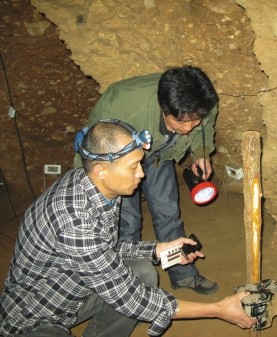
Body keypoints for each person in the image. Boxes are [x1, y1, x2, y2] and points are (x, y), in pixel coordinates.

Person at [0, 120, 256, 337]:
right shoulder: (73, 220)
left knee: (143, 271)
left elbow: (108, 247)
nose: (142, 174)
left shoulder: (95, 185)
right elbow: (130, 298)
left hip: (76, 290)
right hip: (37, 317)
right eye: (134, 166)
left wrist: (159, 249)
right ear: (101, 170)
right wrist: (218, 309)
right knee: (133, 290)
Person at [74, 65, 220, 295]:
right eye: (181, 122)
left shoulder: (201, 101)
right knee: (126, 221)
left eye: (195, 121)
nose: (189, 127)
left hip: (160, 153)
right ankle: (131, 283)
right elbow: (90, 149)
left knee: (168, 213)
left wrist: (200, 150)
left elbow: (205, 124)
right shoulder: (122, 107)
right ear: (164, 108)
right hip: (120, 160)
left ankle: (182, 275)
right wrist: (96, 194)